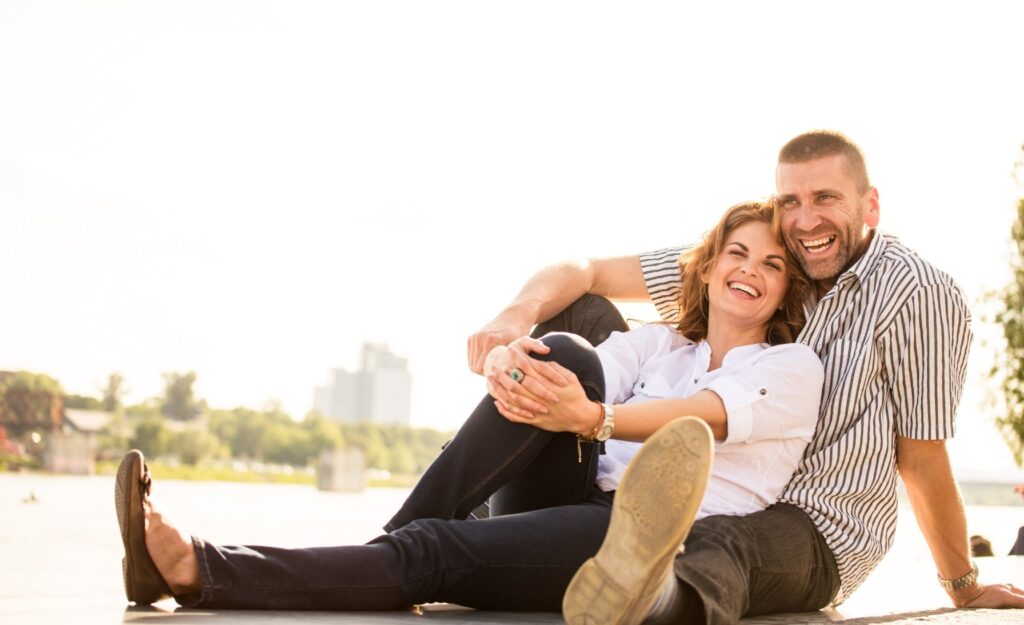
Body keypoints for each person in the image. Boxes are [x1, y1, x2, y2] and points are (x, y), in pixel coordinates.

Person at [116, 200, 822, 624]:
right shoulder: (662, 342)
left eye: (771, 265)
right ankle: (382, 555)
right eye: (738, 253)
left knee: (434, 552)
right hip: (574, 494)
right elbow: (573, 381)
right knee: (566, 351)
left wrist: (594, 420)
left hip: (633, 539)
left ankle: (196, 569)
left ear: (786, 290)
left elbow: (701, 416)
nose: (750, 271)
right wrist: (512, 364)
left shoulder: (791, 367)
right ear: (705, 267)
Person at [471, 130, 1024, 623]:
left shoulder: (917, 293)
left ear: (870, 205)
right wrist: (512, 317)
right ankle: (485, 491)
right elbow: (587, 270)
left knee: (715, 543)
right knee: (577, 316)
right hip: (719, 484)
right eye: (792, 202)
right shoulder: (772, 262)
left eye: (826, 198)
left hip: (813, 521)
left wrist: (963, 585)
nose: (807, 220)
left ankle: (655, 600)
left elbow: (920, 452)